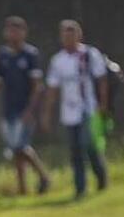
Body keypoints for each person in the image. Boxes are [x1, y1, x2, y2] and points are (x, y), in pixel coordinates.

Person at [0, 16, 50, 195]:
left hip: (25, 110)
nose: (12, 34)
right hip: (8, 110)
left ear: (24, 32)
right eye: (10, 30)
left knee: (21, 147)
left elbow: (37, 86)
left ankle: (43, 177)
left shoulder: (30, 55)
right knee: (16, 150)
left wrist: (30, 110)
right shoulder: (2, 56)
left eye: (16, 30)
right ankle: (23, 188)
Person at [42, 20, 109, 200]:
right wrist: (47, 113)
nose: (68, 38)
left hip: (88, 108)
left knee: (88, 145)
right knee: (75, 149)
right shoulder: (58, 61)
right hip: (69, 111)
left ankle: (100, 175)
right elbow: (52, 89)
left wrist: (103, 103)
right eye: (65, 35)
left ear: (78, 36)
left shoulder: (89, 54)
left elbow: (101, 79)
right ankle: (80, 187)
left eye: (72, 34)